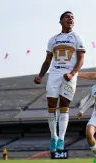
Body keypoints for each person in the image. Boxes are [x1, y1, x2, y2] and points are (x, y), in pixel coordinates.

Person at [34, 11, 86, 152]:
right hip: (54, 74)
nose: (71, 19)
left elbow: (81, 59)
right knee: (51, 105)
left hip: (69, 75)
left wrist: (72, 73)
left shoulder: (77, 37)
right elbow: (47, 60)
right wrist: (40, 76)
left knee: (64, 105)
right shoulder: (53, 39)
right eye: (67, 17)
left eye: (72, 17)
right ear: (61, 21)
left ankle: (61, 139)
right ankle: (53, 137)